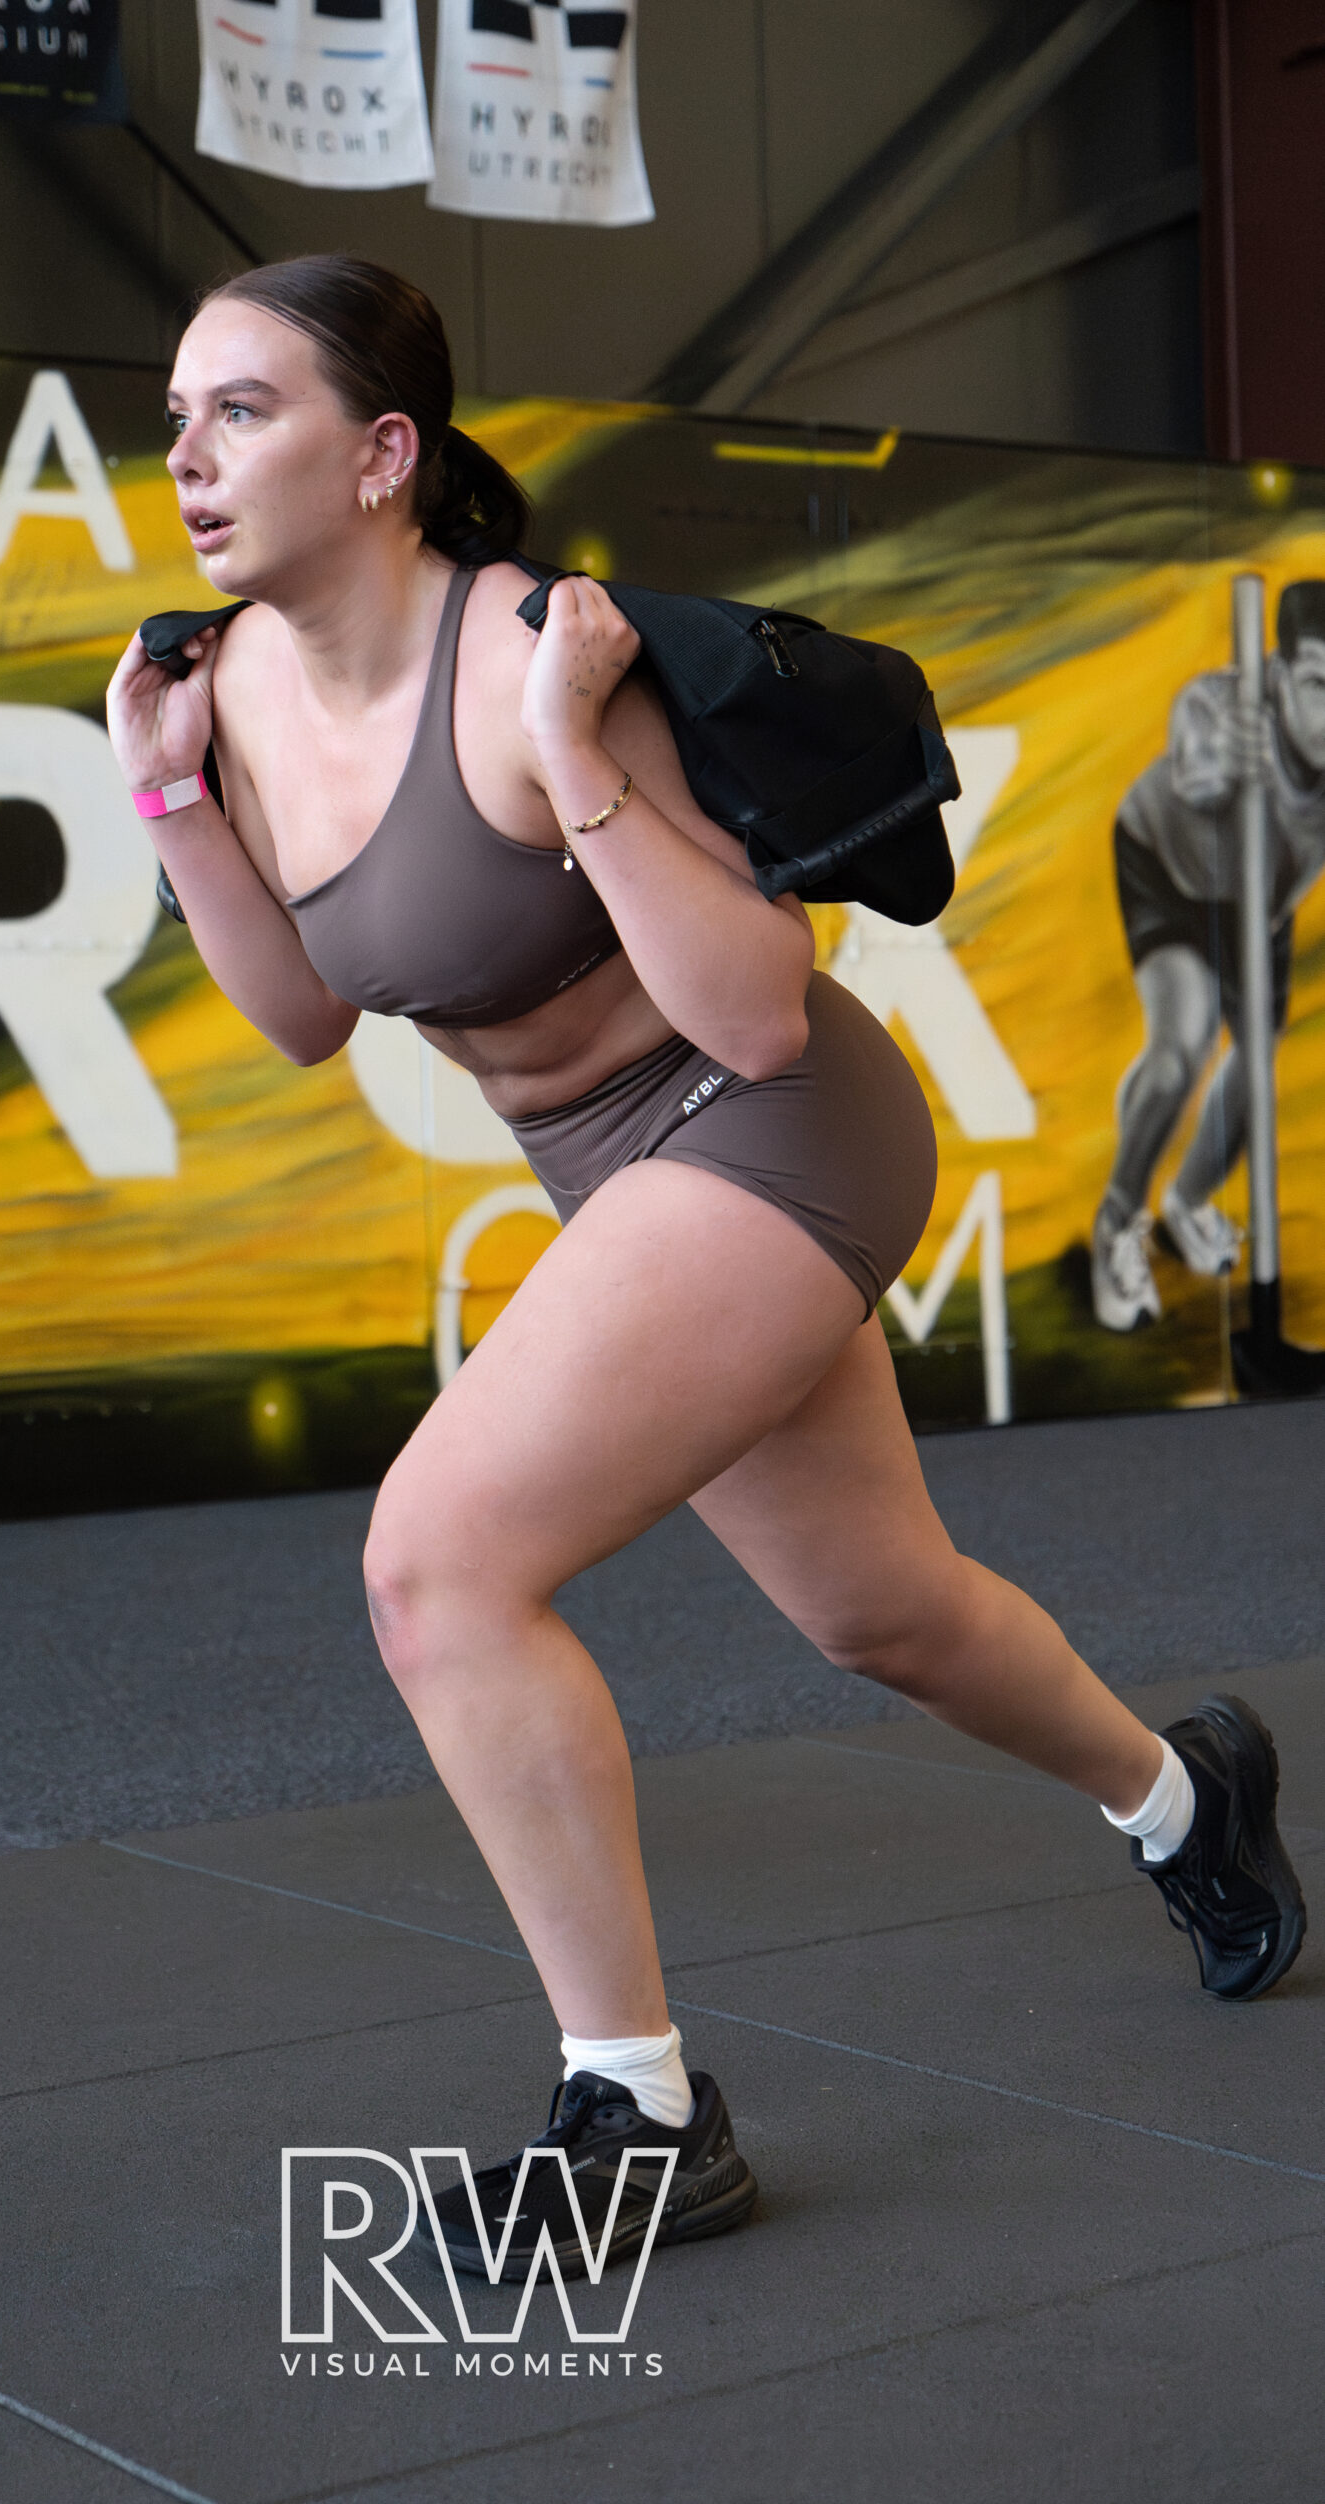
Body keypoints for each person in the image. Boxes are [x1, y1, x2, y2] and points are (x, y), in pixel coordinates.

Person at [107, 254, 1307, 2280]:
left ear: (382, 454)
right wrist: (161, 788)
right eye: (175, 420)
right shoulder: (222, 694)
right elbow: (305, 1014)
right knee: (882, 1611)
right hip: (619, 1177)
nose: (190, 458)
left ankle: (639, 2107)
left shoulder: (530, 654)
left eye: (242, 410)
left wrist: (572, 748)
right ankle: (1184, 1799)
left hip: (773, 1122)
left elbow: (753, 1011)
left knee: (435, 1563)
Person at [1092, 581, 1325, 1332]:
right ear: (1280, 673)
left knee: (1254, 1075)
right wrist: (1226, 760)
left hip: (1260, 904)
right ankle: (1115, 1225)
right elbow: (1196, 767)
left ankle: (1186, 1202)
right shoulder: (1223, 707)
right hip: (1168, 868)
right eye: (1318, 685)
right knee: (1181, 1050)